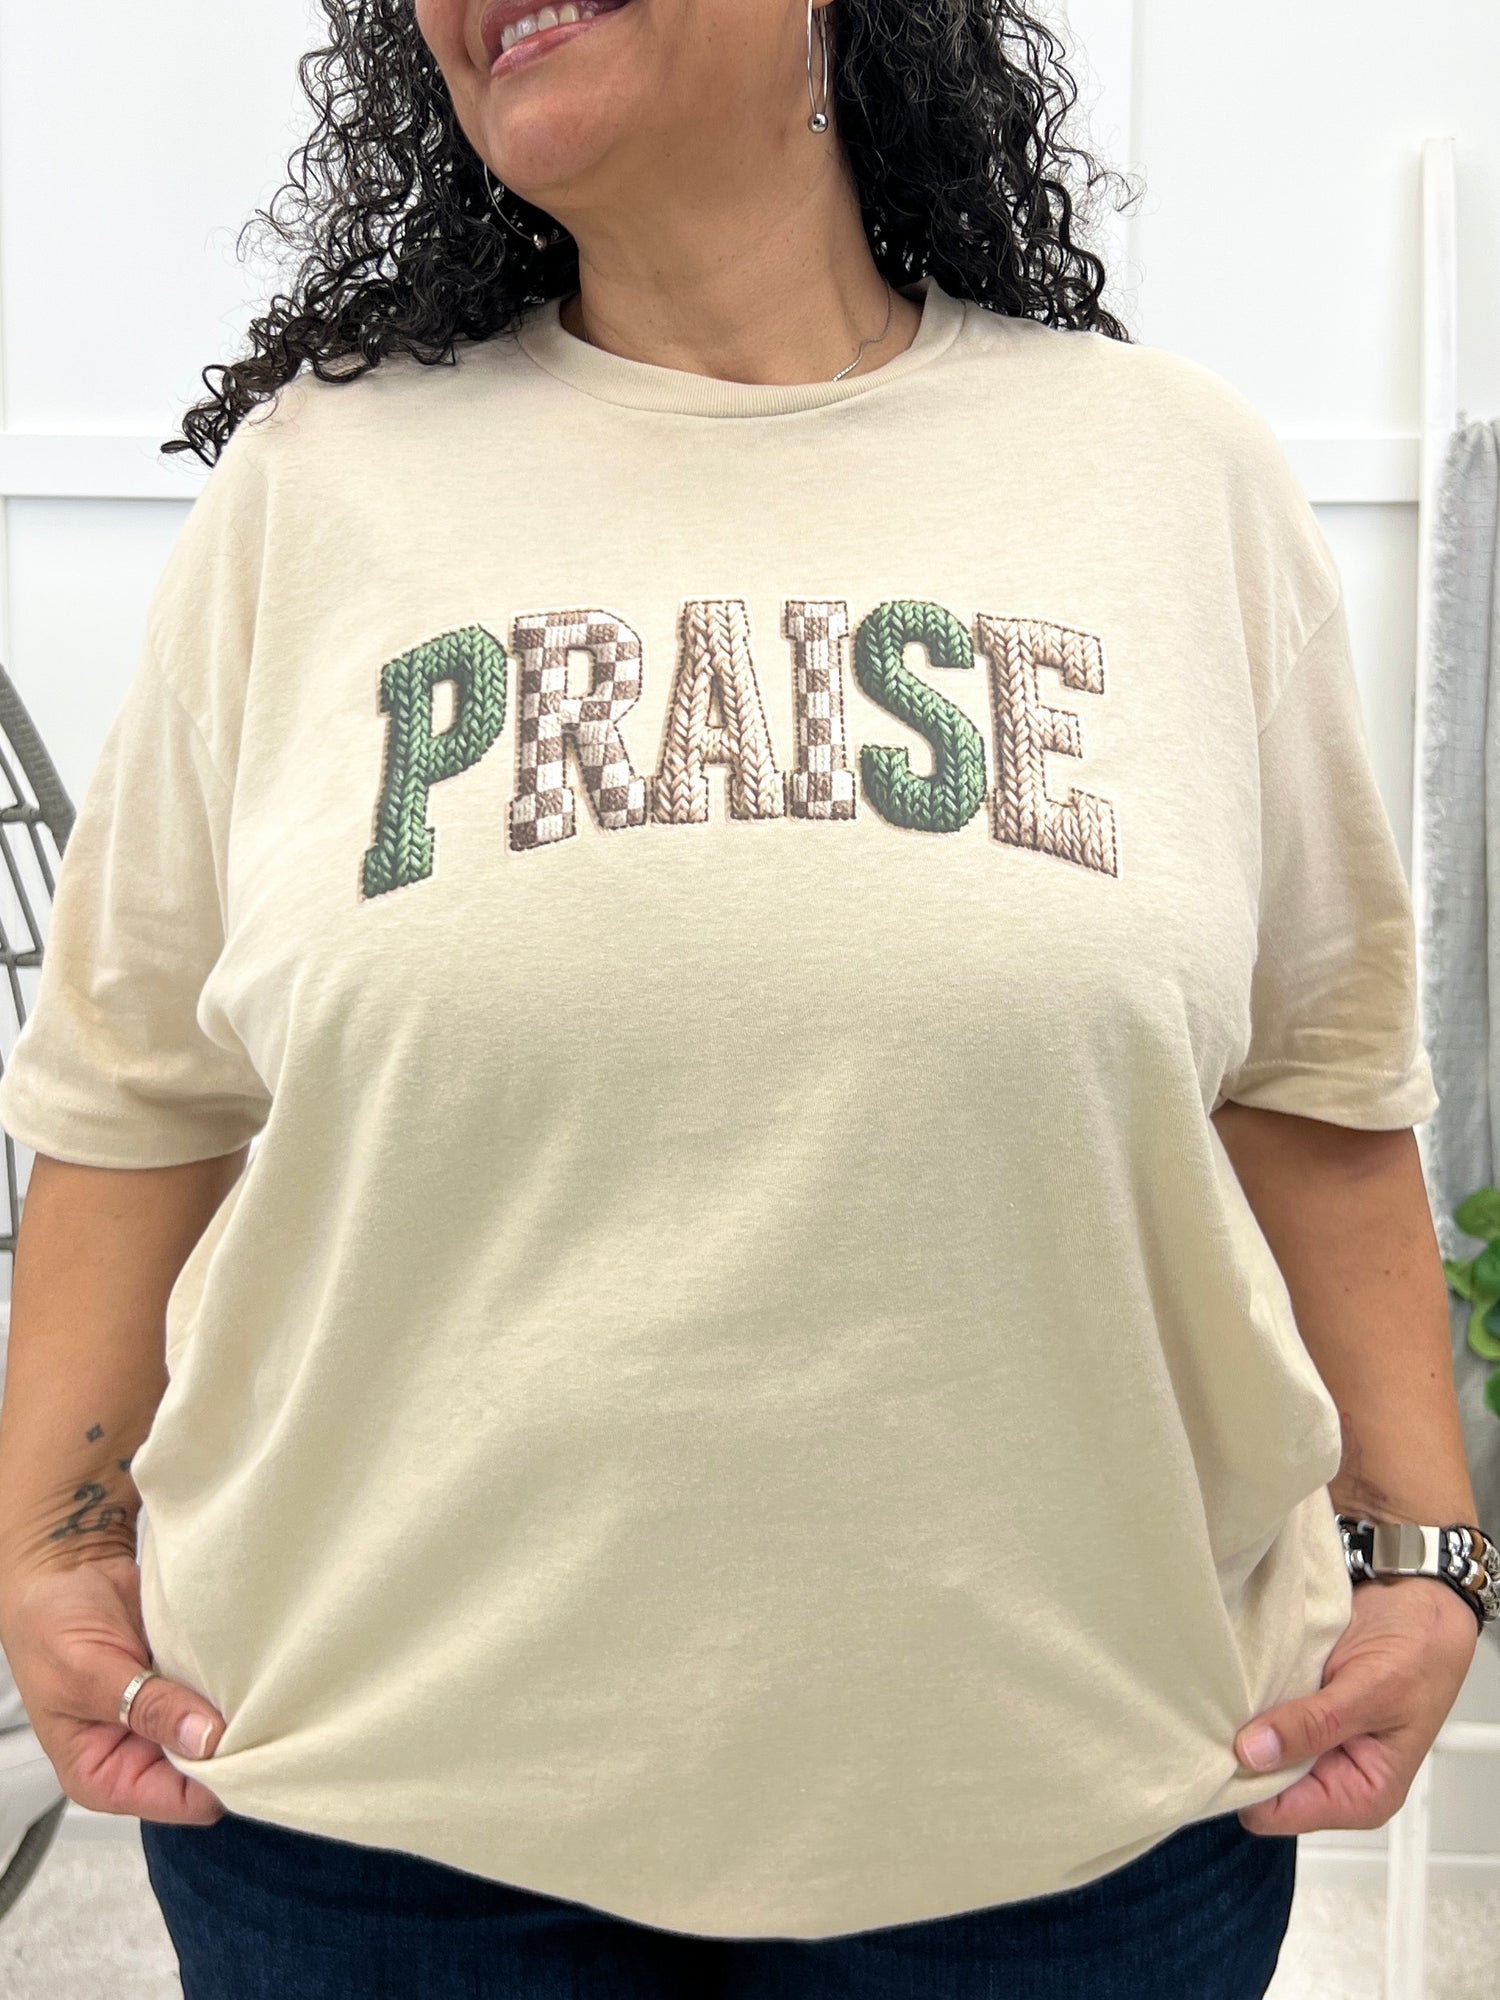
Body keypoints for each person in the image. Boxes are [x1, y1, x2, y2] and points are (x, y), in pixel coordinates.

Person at [0, 1, 1489, 1995]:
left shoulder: (1172, 476)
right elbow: (133, 1094)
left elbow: (1316, 1078)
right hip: (373, 1834)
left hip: (1073, 1814)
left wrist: (1426, 1546)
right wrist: (54, 1544)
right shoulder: (312, 489)